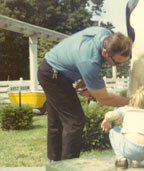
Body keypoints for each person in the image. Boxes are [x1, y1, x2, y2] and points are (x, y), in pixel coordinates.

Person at [37, 26, 133, 162]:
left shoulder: (105, 34)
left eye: (124, 62)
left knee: (57, 120)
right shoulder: (89, 62)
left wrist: (83, 76)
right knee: (74, 121)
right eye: (117, 63)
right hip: (52, 76)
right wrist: (132, 101)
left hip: (52, 69)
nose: (121, 66)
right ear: (105, 52)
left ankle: (55, 163)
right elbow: (103, 98)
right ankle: (68, 168)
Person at [101, 85, 144, 169]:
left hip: (130, 150)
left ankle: (121, 160)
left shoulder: (126, 109)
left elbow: (108, 115)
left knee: (114, 131)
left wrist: (106, 120)